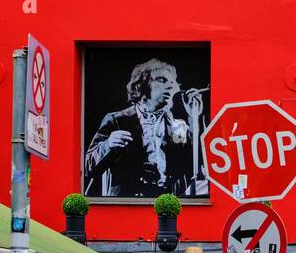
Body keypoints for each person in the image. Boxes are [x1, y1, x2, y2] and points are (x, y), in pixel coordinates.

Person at [83, 58, 206, 197]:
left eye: (172, 83)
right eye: (162, 80)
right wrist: (108, 144)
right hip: (127, 204)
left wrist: (193, 118)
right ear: (141, 85)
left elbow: (195, 168)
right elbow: (88, 167)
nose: (170, 86)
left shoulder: (177, 126)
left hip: (166, 203)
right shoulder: (117, 120)